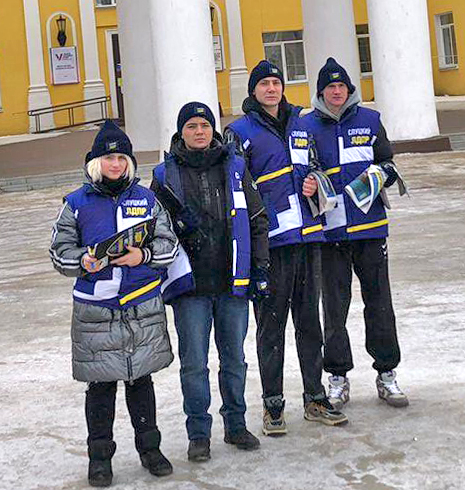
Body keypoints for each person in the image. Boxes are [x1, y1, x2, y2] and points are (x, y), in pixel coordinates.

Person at [49, 120, 179, 488]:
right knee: (101, 387)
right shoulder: (76, 203)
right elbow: (59, 252)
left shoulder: (147, 200)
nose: (116, 164)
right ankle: (100, 458)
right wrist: (83, 261)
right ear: (96, 163)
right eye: (109, 158)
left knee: (141, 381)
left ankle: (150, 450)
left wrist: (143, 256)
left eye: (122, 158)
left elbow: (169, 245)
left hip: (141, 305)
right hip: (97, 310)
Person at [224, 60, 347, 435]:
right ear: (253, 90)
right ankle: (273, 405)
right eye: (264, 84)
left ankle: (315, 398)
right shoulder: (238, 132)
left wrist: (315, 180)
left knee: (309, 323)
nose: (271, 89)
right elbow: (235, 186)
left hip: (307, 238)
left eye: (276, 82)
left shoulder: (301, 124)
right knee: (271, 328)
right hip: (271, 244)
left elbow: (315, 166)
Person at [150, 101, 269, 463]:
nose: (199, 132)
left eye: (204, 125)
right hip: (190, 288)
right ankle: (198, 434)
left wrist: (260, 267)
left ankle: (236, 424)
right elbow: (152, 230)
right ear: (181, 132)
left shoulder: (235, 167)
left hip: (232, 282)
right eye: (191, 126)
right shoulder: (165, 176)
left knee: (234, 359)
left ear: (213, 130)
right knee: (194, 364)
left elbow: (257, 219)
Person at [295, 58, 409, 409]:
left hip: (370, 231)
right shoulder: (306, 127)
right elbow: (302, 171)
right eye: (330, 87)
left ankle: (386, 372)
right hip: (330, 234)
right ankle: (337, 376)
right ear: (320, 93)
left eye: (341, 86)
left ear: (349, 89)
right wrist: (311, 183)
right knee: (334, 309)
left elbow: (388, 162)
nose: (336, 92)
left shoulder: (370, 120)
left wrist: (381, 176)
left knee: (379, 304)